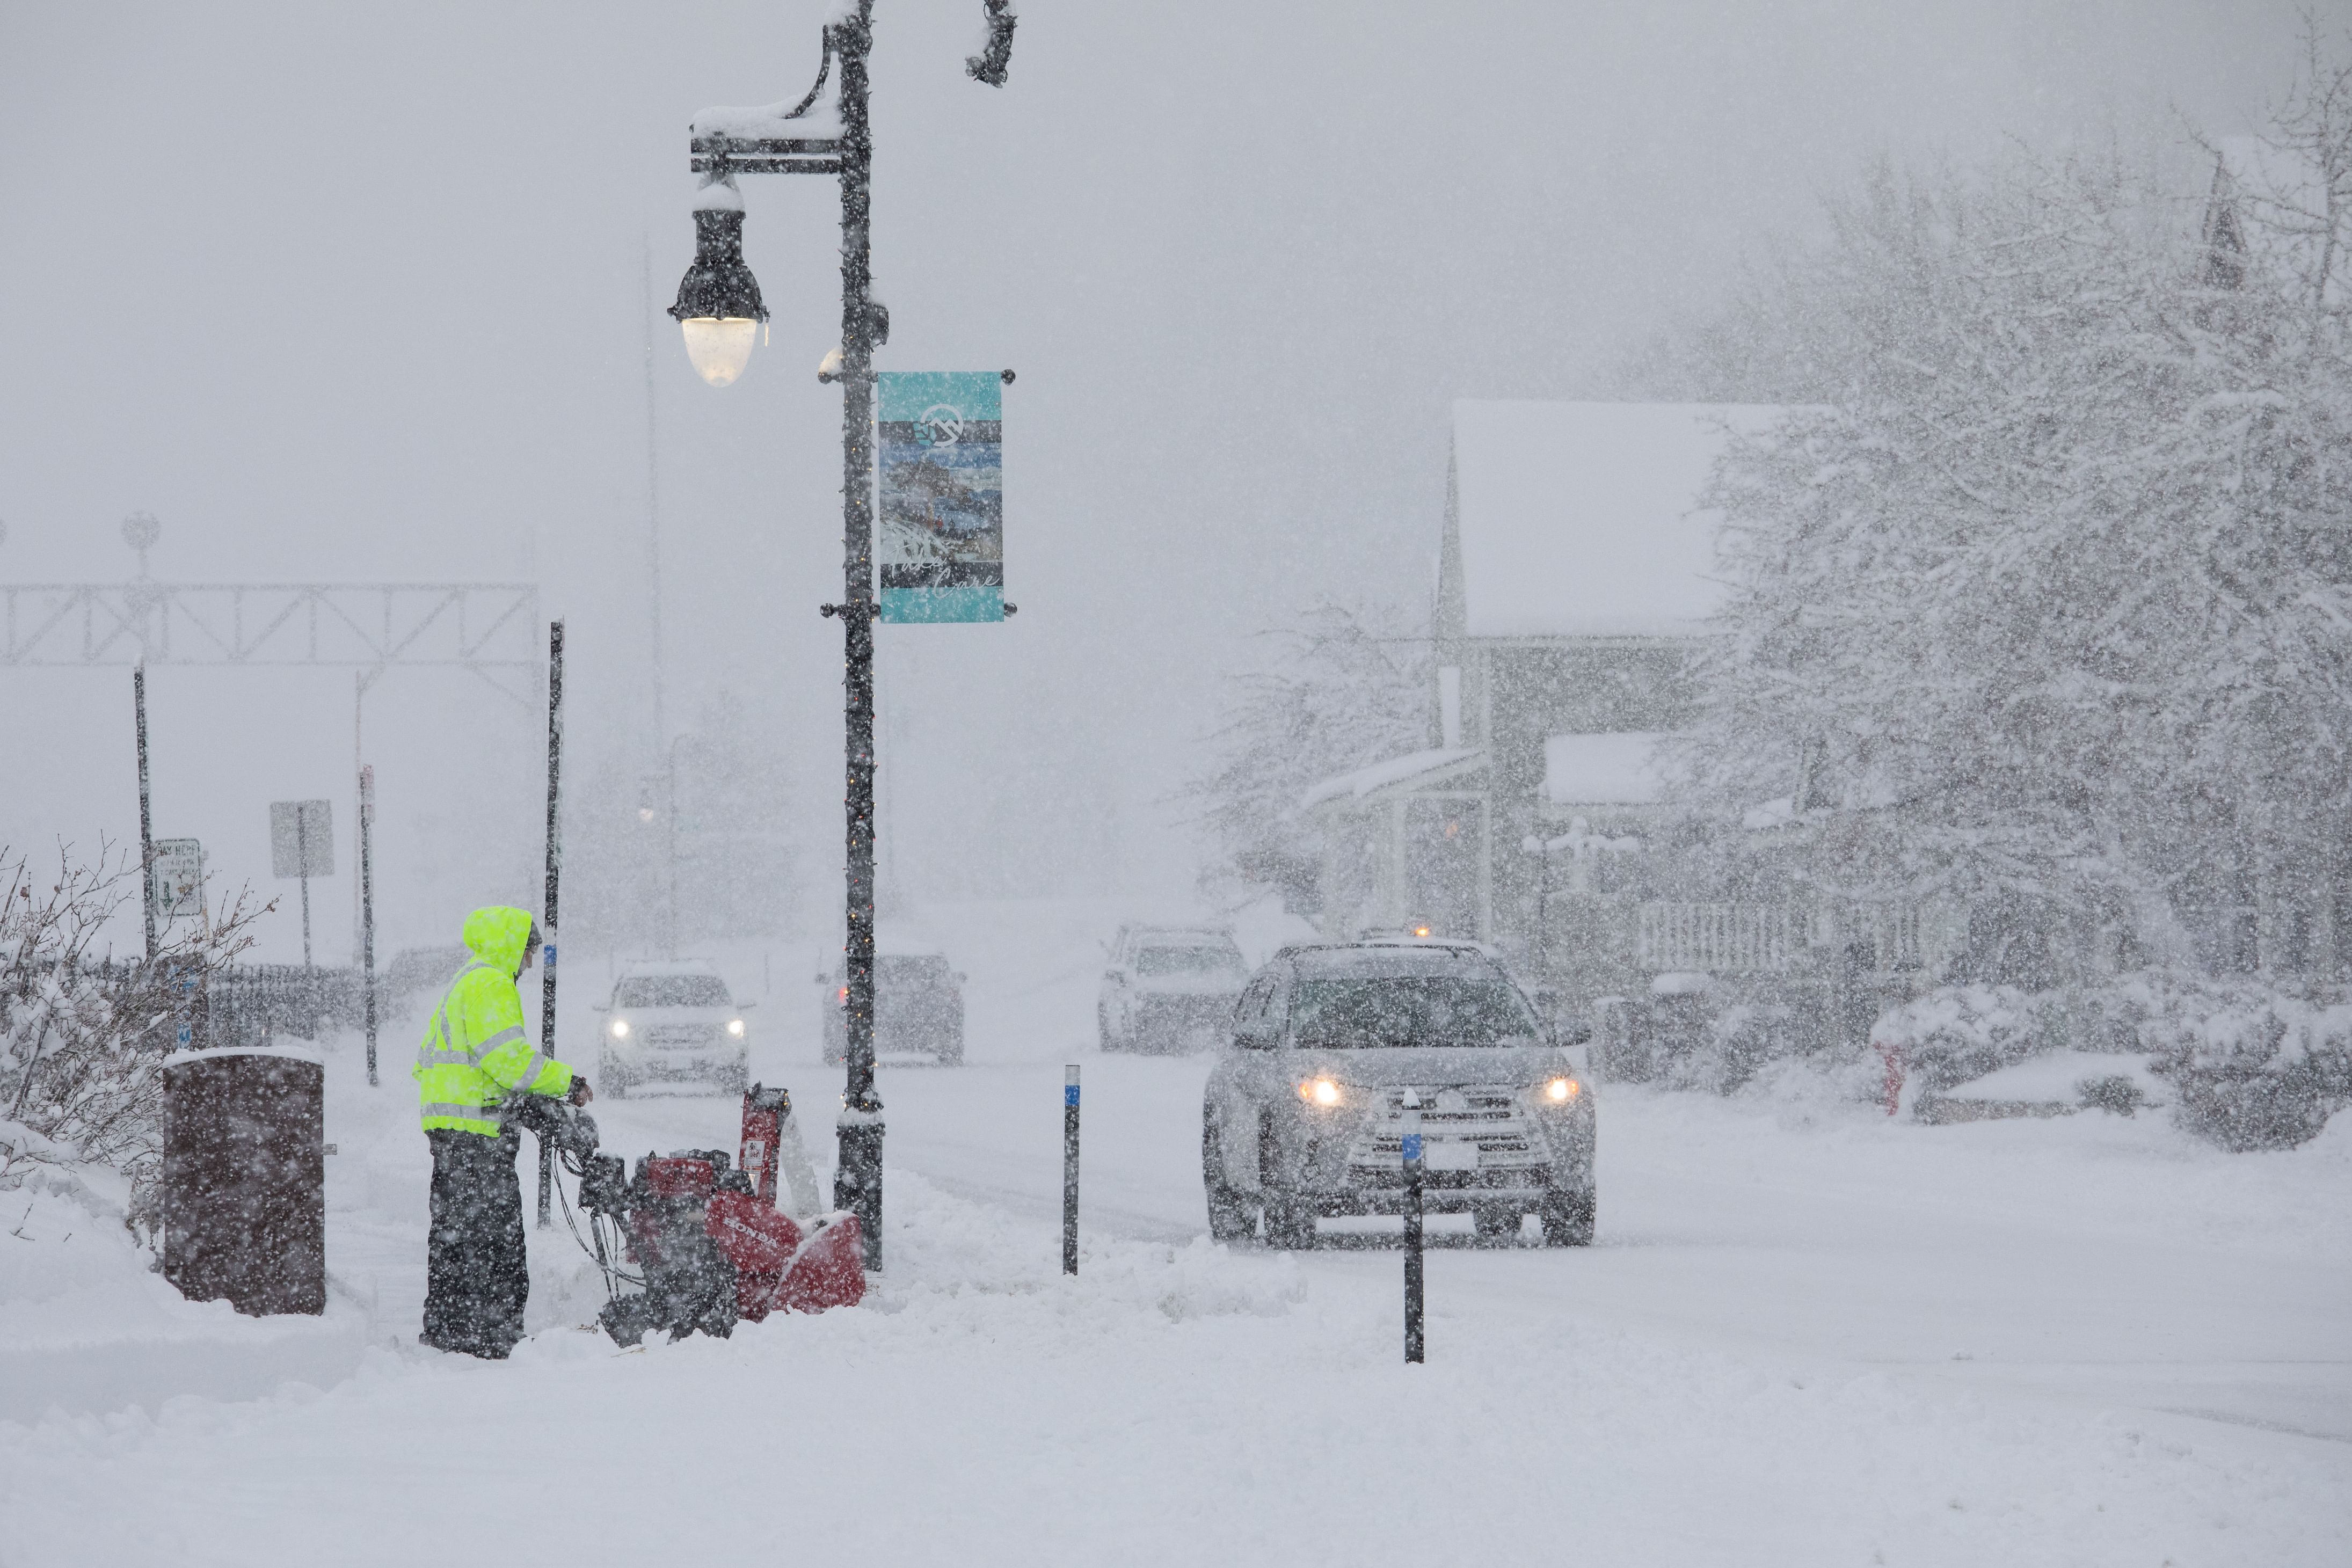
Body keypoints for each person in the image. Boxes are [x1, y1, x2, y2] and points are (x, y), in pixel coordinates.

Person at [411, 906, 589, 1358]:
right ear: (515, 946)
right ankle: (496, 1335)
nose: (529, 965)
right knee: (498, 1239)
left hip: (454, 1130)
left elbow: (473, 1064)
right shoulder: (491, 982)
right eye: (529, 954)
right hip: (477, 1135)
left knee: (455, 1237)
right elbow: (508, 1059)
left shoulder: (467, 978)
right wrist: (568, 1083)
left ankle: (448, 1331)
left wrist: (519, 1103)